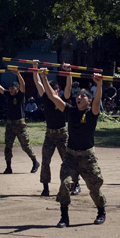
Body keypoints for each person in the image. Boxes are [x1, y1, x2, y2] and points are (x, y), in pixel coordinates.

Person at [44, 72, 106, 227]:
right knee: (65, 184)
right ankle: (64, 217)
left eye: (83, 96)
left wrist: (99, 84)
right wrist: (43, 77)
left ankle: (101, 211)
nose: (79, 97)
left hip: (87, 158)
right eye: (77, 95)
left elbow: (97, 101)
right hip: (71, 156)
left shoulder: (92, 113)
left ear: (89, 101)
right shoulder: (70, 110)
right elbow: (53, 97)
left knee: (94, 188)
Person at [33, 61, 80, 197]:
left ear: (57, 91)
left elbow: (69, 86)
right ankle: (45, 187)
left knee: (68, 161)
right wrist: (35, 68)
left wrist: (69, 71)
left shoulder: (62, 100)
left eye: (51, 89)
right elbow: (38, 83)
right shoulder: (46, 98)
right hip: (49, 135)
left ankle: (76, 184)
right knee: (45, 162)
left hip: (62, 134)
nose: (48, 91)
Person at [0, 69, 40, 174]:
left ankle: (35, 162)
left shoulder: (20, 95)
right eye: (10, 88)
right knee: (8, 147)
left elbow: (23, 84)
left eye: (13, 88)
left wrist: (18, 74)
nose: (11, 90)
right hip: (10, 124)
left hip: (20, 124)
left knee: (25, 146)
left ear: (17, 89)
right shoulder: (8, 94)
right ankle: (8, 167)